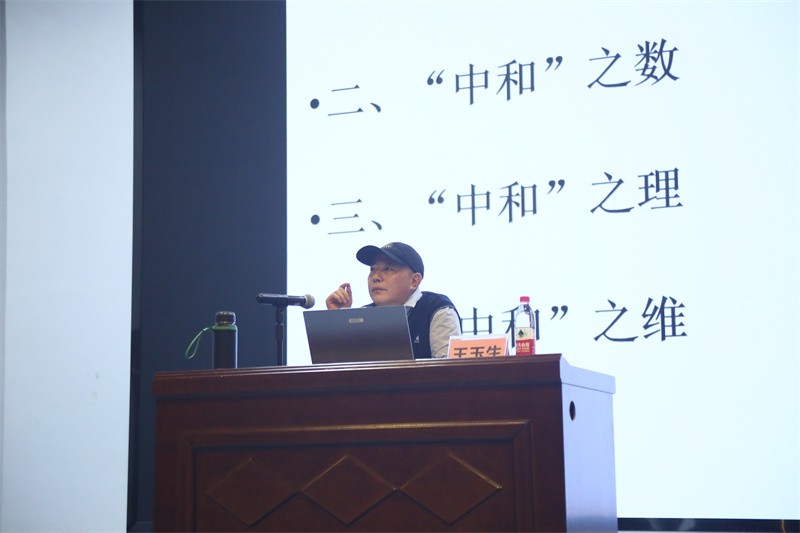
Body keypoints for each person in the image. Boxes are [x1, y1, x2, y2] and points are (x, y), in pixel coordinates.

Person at [325, 242, 461, 358]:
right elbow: (340, 372)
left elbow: (447, 372)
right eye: (372, 269)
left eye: (388, 269)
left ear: (414, 281)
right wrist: (340, 319)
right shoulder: (364, 314)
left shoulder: (437, 310)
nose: (375, 277)